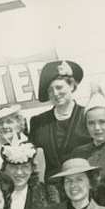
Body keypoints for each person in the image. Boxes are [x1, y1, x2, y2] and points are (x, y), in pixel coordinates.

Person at [29, 60, 92, 200]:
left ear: (71, 85)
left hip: (85, 189)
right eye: (50, 90)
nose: (55, 93)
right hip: (54, 194)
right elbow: (30, 158)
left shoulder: (88, 116)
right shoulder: (38, 122)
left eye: (59, 87)